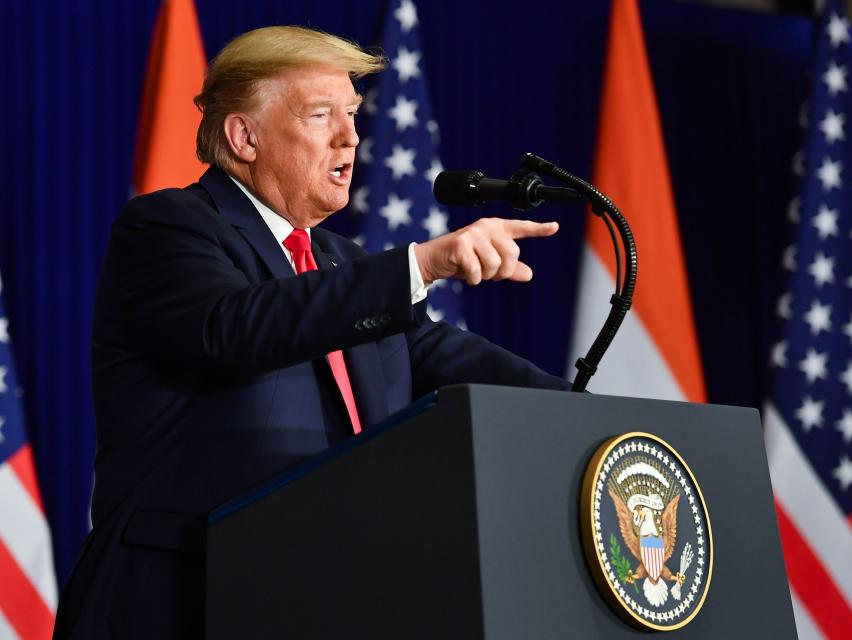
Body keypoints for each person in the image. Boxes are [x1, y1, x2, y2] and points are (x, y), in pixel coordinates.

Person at [53, 25, 569, 639]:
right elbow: (238, 327)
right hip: (183, 603)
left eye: (351, 114)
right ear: (244, 136)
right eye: (321, 115)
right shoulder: (169, 228)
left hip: (324, 601)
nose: (350, 136)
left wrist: (597, 419)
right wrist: (423, 264)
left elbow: (452, 358)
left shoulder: (343, 264)